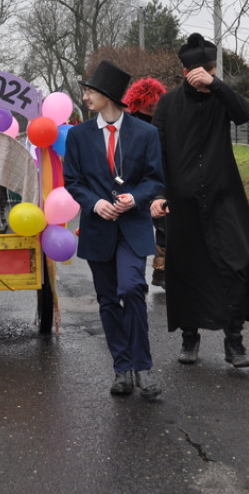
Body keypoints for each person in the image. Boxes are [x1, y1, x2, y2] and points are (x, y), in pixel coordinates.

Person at [150, 33, 249, 369]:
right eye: (201, 69)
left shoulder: (221, 98)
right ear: (186, 71)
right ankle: (190, 338)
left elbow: (245, 112)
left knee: (235, 264)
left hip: (223, 197)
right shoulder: (168, 104)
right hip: (182, 201)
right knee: (187, 269)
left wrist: (217, 85)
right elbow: (158, 152)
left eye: (211, 69)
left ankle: (234, 341)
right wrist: (160, 194)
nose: (205, 74)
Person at [64, 60, 165, 399]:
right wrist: (95, 203)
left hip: (133, 227)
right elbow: (73, 181)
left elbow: (155, 179)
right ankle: (122, 368)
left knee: (133, 288)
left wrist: (134, 198)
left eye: (90, 91)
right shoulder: (78, 135)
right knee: (108, 300)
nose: (86, 96)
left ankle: (143, 367)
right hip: (98, 228)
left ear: (108, 95)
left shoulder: (146, 133)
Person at [123, 77, 169, 288]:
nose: (152, 106)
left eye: (154, 102)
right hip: (135, 181)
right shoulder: (129, 123)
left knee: (165, 225)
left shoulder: (164, 120)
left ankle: (161, 271)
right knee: (136, 227)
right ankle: (133, 277)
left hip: (160, 177)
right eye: (148, 103)